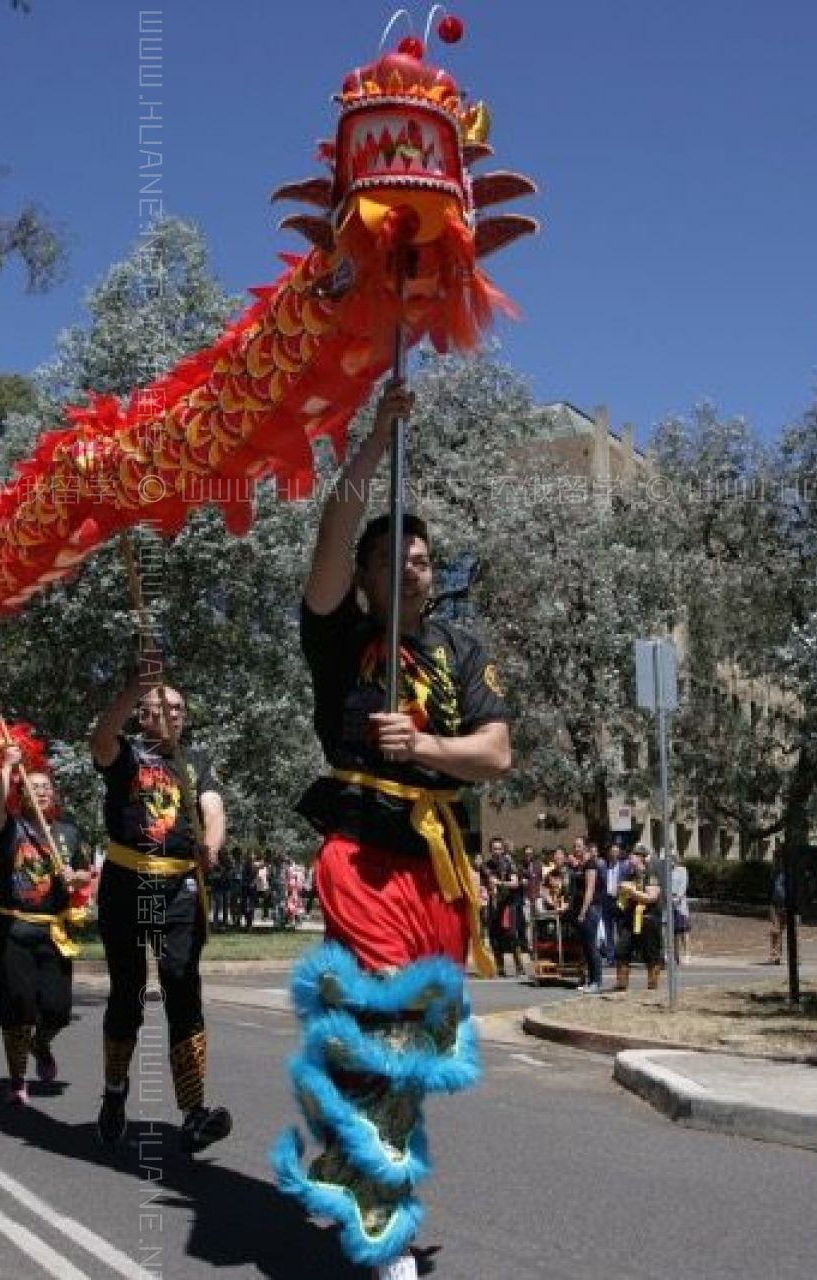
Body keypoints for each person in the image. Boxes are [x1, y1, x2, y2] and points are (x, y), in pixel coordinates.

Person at [272, 383, 513, 1280]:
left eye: (422, 559)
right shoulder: (337, 639)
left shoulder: (459, 646)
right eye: (393, 559)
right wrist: (375, 438)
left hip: (439, 874)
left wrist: (429, 744)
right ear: (367, 580)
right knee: (385, 1031)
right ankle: (386, 1235)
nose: (411, 568)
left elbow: (496, 753)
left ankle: (346, 1146)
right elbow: (334, 530)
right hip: (361, 862)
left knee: (411, 1058)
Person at [88, 670, 232, 1154]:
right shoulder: (124, 755)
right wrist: (132, 685)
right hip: (127, 884)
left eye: (179, 709)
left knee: (182, 985)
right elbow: (101, 738)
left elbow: (214, 811)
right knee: (127, 991)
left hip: (179, 889)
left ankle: (194, 1112)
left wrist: (211, 846)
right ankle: (114, 1092)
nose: (171, 714)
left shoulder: (197, 765)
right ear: (143, 716)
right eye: (159, 707)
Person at [0, 749, 91, 1105]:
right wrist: (6, 766)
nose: (42, 792)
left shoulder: (69, 833)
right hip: (13, 929)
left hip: (53, 931)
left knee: (58, 1010)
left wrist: (77, 879)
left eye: (46, 787)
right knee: (18, 1005)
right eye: (33, 787)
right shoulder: (10, 827)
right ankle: (17, 1078)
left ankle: (41, 1043)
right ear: (22, 793)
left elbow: (83, 874)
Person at [613, 846, 665, 991]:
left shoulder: (651, 874)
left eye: (633, 855)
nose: (630, 858)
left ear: (641, 857)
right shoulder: (630, 875)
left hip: (648, 918)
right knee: (622, 949)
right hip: (630, 918)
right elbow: (624, 899)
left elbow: (652, 897)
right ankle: (621, 983)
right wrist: (622, 892)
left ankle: (652, 983)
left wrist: (632, 892)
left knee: (651, 952)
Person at [483, 837, 526, 978]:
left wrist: (500, 883)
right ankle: (500, 968)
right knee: (494, 936)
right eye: (494, 849)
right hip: (493, 904)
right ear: (490, 850)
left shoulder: (509, 864)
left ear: (503, 849)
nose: (497, 851)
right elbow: (483, 885)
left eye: (499, 848)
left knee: (511, 935)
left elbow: (515, 883)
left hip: (507, 904)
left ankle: (519, 967)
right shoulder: (486, 866)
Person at [574, 839, 609, 992]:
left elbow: (590, 889)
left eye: (579, 846)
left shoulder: (591, 865)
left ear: (586, 848)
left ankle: (597, 982)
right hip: (583, 908)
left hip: (591, 908)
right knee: (585, 946)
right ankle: (590, 980)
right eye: (575, 846)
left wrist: (583, 911)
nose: (576, 849)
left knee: (591, 945)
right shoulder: (581, 865)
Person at [767, 865, 789, 965]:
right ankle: (775, 955)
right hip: (775, 905)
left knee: (792, 932)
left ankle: (795, 957)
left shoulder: (791, 873)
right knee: (775, 931)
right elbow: (771, 888)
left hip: (788, 906)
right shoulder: (774, 872)